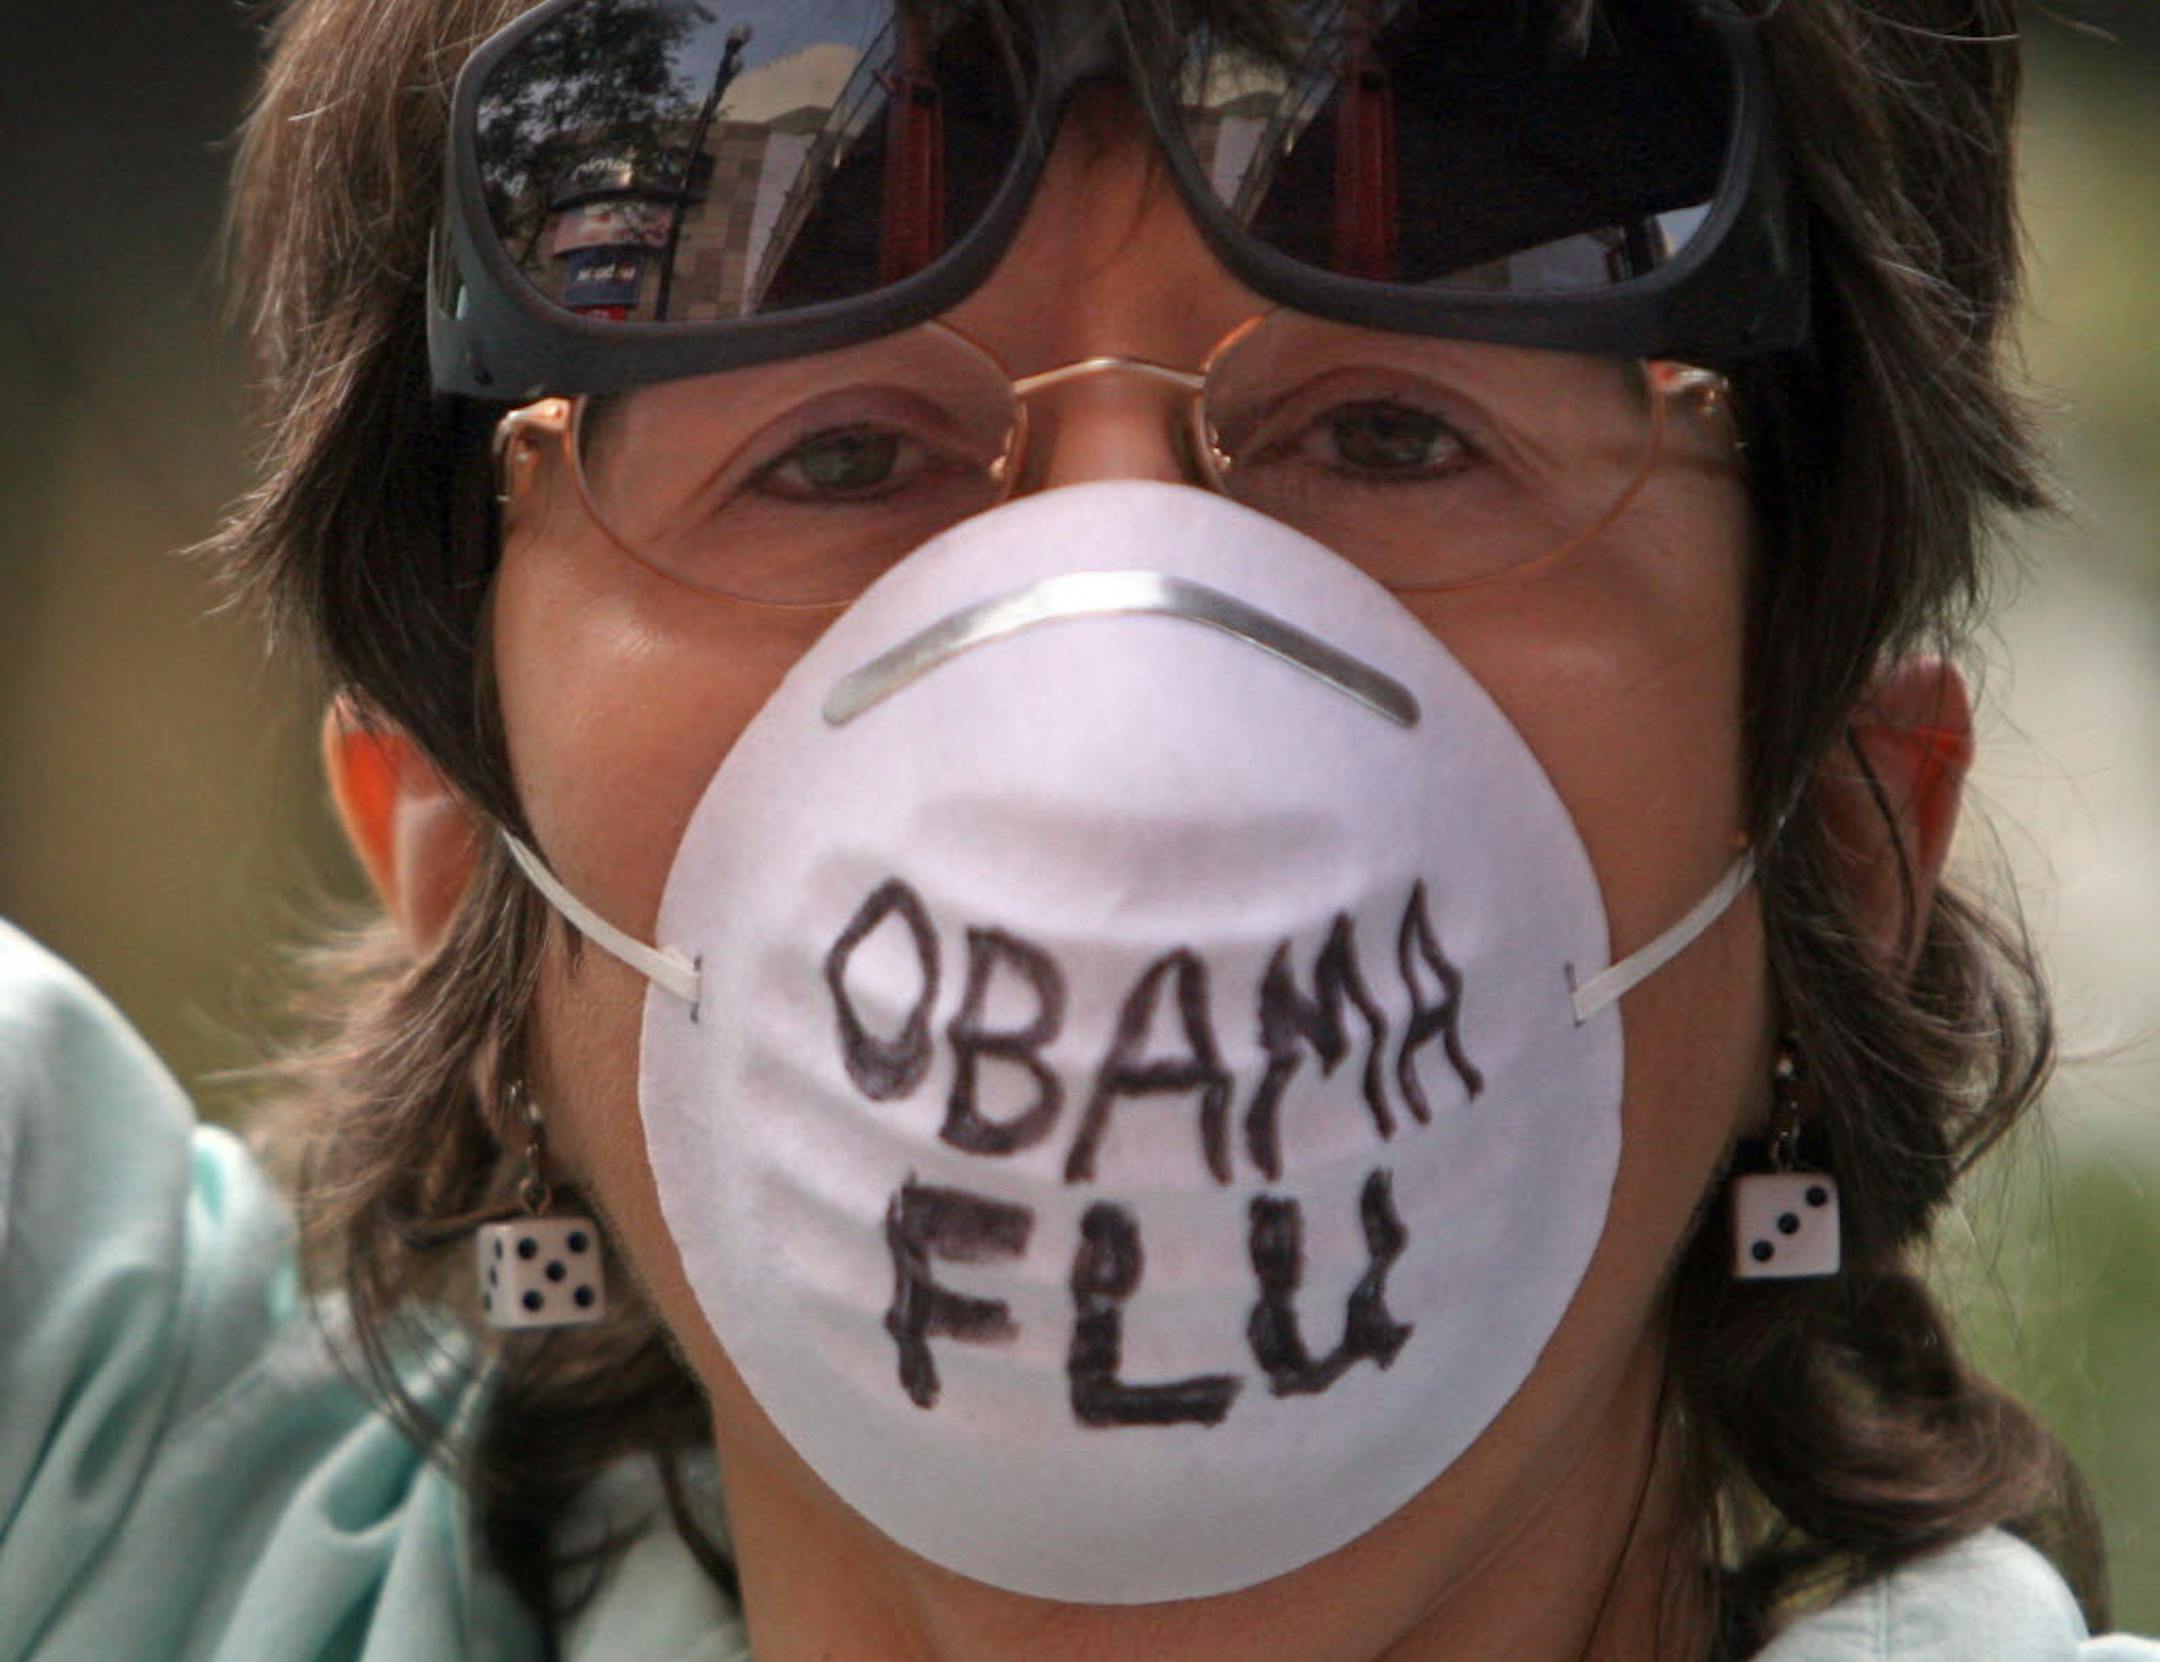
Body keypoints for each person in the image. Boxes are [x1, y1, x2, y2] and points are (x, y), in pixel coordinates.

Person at [0, 0, 2153, 1657]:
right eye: (843, 459)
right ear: (464, 857)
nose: (1125, 720)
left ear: (1845, 859)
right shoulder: (108, 1531)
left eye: (1395, 434)